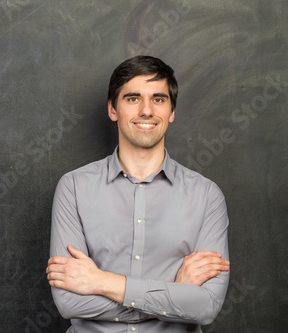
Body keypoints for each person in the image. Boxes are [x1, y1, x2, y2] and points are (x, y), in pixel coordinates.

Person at [46, 55, 230, 333]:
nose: (147, 110)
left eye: (158, 99)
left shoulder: (206, 195)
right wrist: (176, 295)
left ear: (171, 111)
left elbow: (206, 307)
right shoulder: (73, 187)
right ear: (112, 109)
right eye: (133, 98)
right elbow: (70, 302)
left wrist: (100, 282)